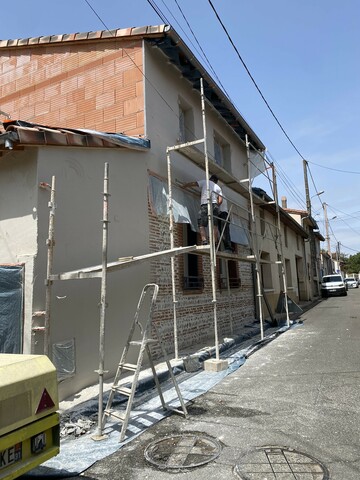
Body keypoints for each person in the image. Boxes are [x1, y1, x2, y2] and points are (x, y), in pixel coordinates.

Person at [182, 174, 222, 245]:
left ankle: (204, 241)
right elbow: (220, 200)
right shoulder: (218, 187)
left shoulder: (205, 182)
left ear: (210, 178)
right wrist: (215, 205)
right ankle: (215, 242)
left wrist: (185, 185)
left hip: (205, 204)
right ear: (216, 181)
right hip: (215, 205)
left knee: (201, 224)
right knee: (214, 225)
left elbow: (194, 183)